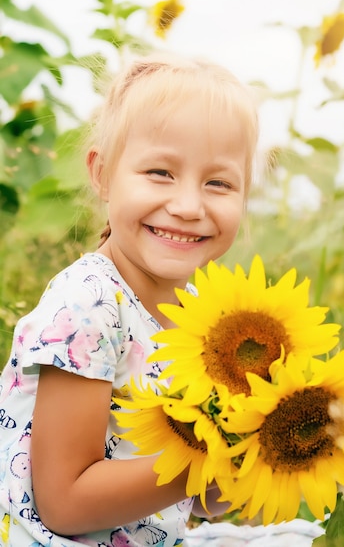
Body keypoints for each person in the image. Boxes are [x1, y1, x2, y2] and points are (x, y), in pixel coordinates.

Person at [0, 52, 259, 546]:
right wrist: (203, 464)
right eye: (160, 172)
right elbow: (65, 503)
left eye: (218, 183)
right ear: (102, 175)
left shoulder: (205, 316)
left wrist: (246, 462)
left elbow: (193, 497)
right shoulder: (89, 305)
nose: (187, 206)